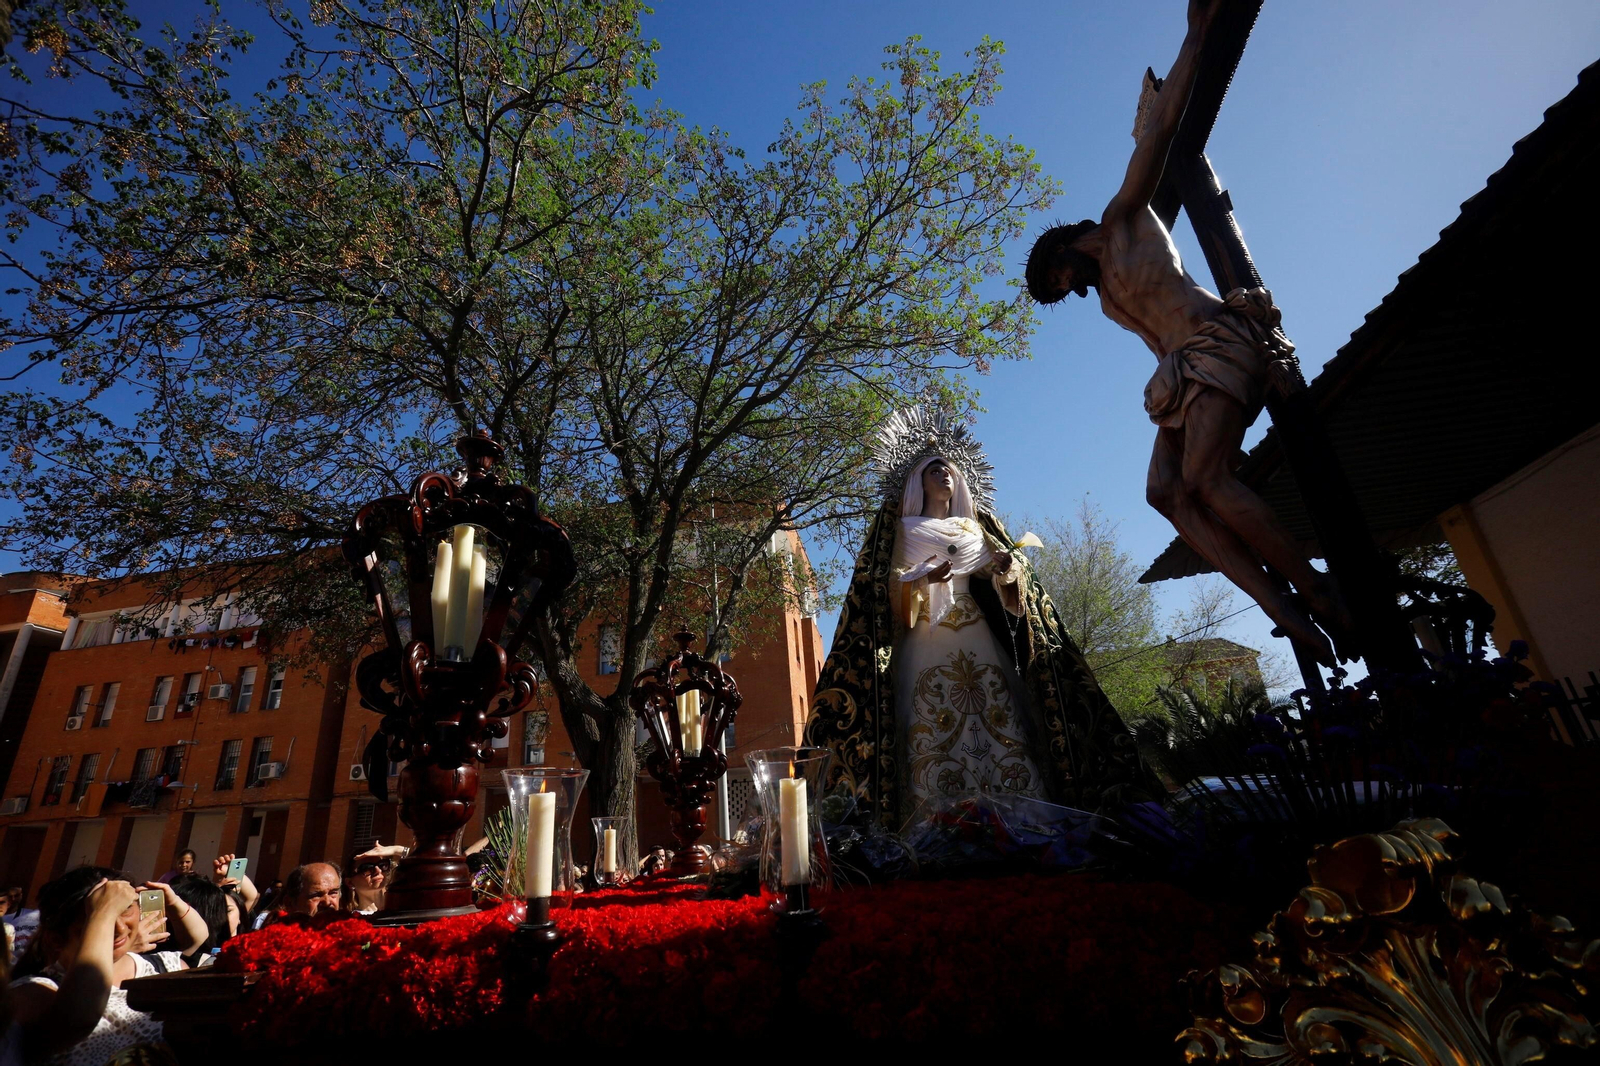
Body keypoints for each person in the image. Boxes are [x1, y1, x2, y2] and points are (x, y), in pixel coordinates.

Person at [1022, 0, 1347, 664]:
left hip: (1218, 342)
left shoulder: (1125, 219)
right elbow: (1153, 345)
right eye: (1061, 292)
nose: (1071, 290)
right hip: (1181, 374)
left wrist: (1197, 36)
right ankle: (1278, 603)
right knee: (1163, 492)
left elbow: (1161, 132)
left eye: (1059, 279)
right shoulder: (1107, 297)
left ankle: (1317, 589)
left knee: (1204, 479)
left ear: (1063, 250)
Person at [808, 407, 1160, 825]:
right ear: (917, 480)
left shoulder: (974, 529)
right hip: (927, 632)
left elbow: (1007, 589)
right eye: (935, 470)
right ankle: (936, 818)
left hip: (974, 627)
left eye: (949, 471)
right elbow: (883, 590)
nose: (945, 475)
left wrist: (1008, 571)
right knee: (932, 711)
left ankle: (1018, 813)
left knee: (996, 707)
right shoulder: (903, 530)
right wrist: (921, 580)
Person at [6, 867, 189, 1064]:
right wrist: (102, 913)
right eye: (93, 918)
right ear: (56, 939)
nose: (119, 928)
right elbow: (78, 1020)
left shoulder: (169, 969)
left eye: (126, 909)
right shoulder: (33, 995)